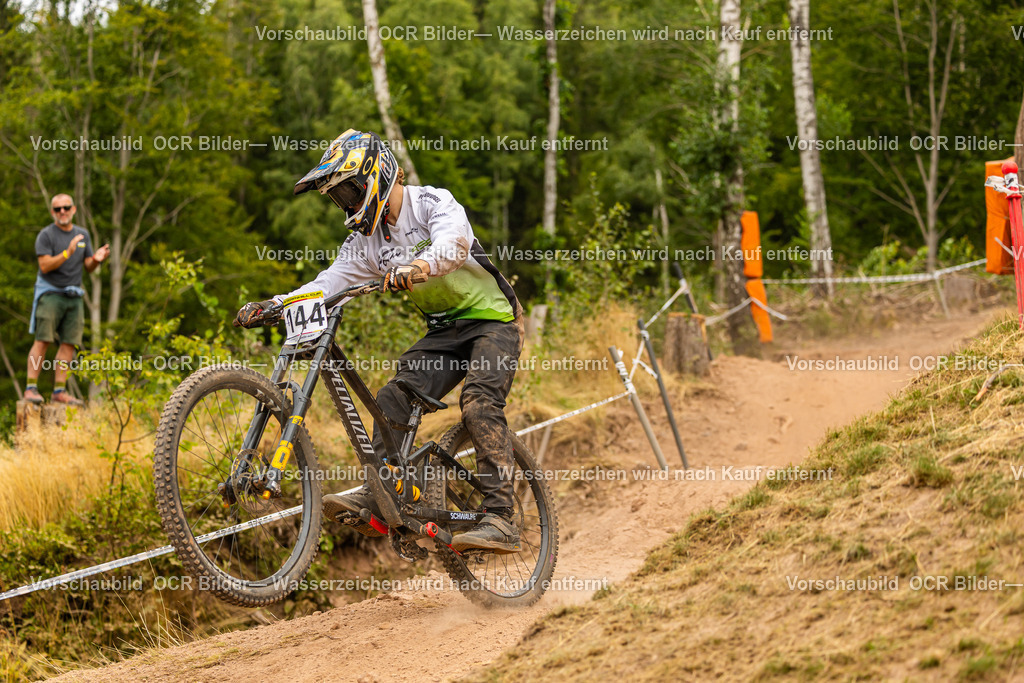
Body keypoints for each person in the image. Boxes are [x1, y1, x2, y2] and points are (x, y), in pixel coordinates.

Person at [234, 129, 524, 553]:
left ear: (378, 173)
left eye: (351, 190)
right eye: (339, 198)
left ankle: (501, 516)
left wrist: (421, 265)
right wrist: (276, 304)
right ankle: (384, 491)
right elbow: (327, 284)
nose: (349, 204)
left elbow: (455, 242)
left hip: (494, 323)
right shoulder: (366, 242)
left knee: (479, 402)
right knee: (390, 399)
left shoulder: (431, 202)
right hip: (444, 332)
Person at [24, 195, 110, 406]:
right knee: (43, 339)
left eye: (66, 208)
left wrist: (96, 260)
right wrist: (67, 252)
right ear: (53, 212)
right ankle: (31, 387)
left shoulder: (83, 234)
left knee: (69, 343)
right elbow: (44, 266)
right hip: (50, 293)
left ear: (73, 209)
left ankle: (59, 391)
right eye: (57, 209)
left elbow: (88, 266)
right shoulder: (46, 235)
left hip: (74, 296)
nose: (62, 211)